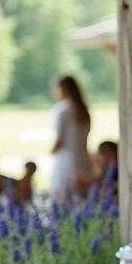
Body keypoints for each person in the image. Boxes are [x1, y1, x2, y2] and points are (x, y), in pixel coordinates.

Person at [50, 74, 92, 202]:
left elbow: (60, 141)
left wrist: (49, 153)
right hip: (83, 159)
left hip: (65, 161)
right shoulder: (83, 109)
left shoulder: (61, 110)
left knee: (63, 200)